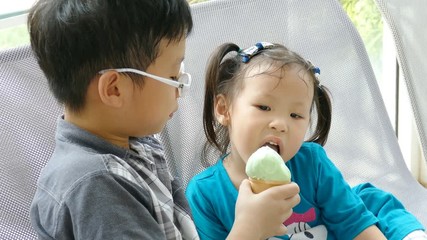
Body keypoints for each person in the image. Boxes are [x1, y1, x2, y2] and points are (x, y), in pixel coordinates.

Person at [27, 1, 300, 239]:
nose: (180, 88)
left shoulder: (132, 142)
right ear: (114, 89)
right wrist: (248, 230)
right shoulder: (96, 190)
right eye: (172, 77)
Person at [185, 42, 427, 240]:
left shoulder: (312, 163)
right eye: (264, 107)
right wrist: (248, 229)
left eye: (296, 115)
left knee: (375, 205)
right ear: (224, 109)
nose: (280, 124)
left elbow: (355, 226)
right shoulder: (204, 194)